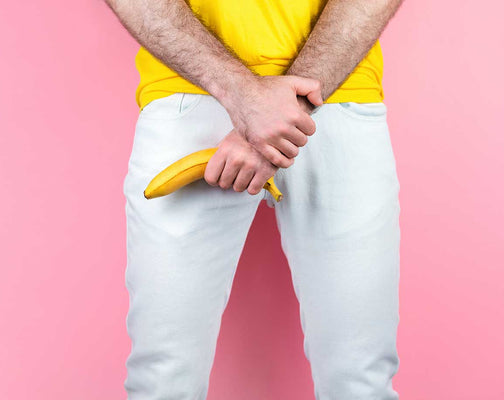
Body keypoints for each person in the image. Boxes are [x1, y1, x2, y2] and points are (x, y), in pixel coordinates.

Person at [104, 0, 404, 398]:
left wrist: (279, 111)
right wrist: (244, 96)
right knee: (163, 376)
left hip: (339, 93)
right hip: (191, 92)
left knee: (359, 378)